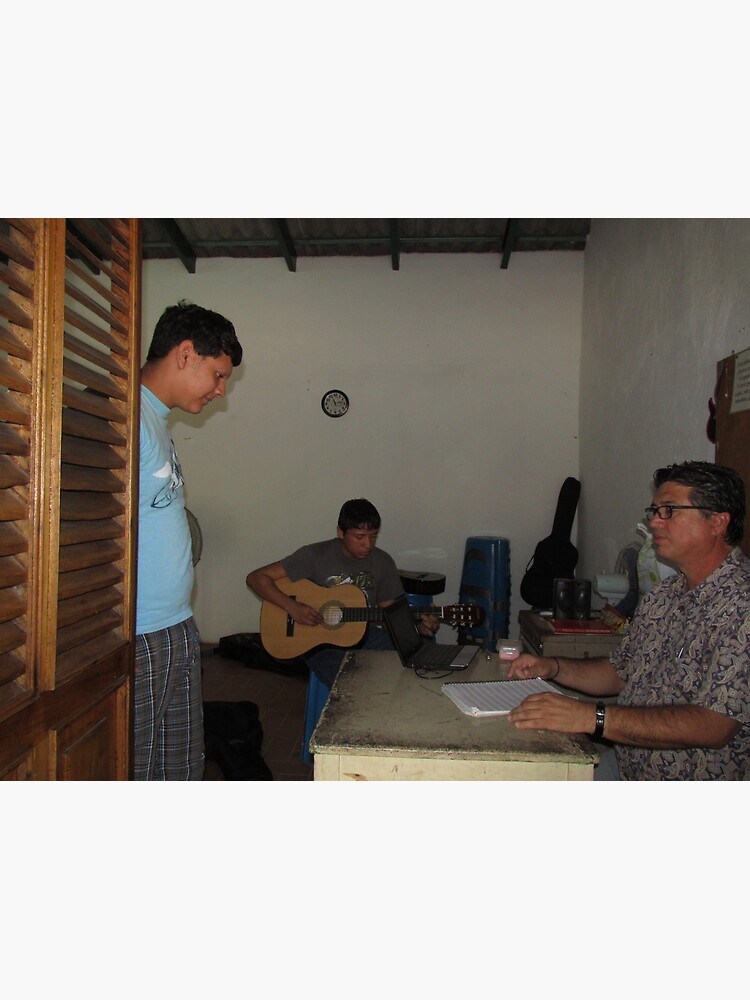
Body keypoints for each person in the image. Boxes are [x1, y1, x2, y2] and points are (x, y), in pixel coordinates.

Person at [507, 461, 750, 780]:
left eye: (669, 511)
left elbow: (716, 725)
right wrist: (553, 667)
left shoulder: (741, 604)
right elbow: (621, 671)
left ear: (718, 521)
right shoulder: (666, 594)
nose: (654, 524)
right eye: (654, 511)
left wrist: (592, 717)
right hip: (625, 767)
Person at [135, 300, 243, 780]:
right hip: (137, 635)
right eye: (218, 375)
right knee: (132, 770)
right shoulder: (123, 416)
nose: (221, 391)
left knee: (177, 771)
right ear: (184, 354)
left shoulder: (155, 420)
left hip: (175, 626)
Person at [246, 498, 438, 689]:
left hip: (364, 636)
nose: (368, 544)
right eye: (359, 537)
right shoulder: (314, 556)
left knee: (423, 654)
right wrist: (292, 607)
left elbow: (391, 618)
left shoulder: (383, 562)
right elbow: (256, 578)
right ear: (340, 532)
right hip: (318, 644)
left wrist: (417, 628)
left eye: (373, 536)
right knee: (351, 683)